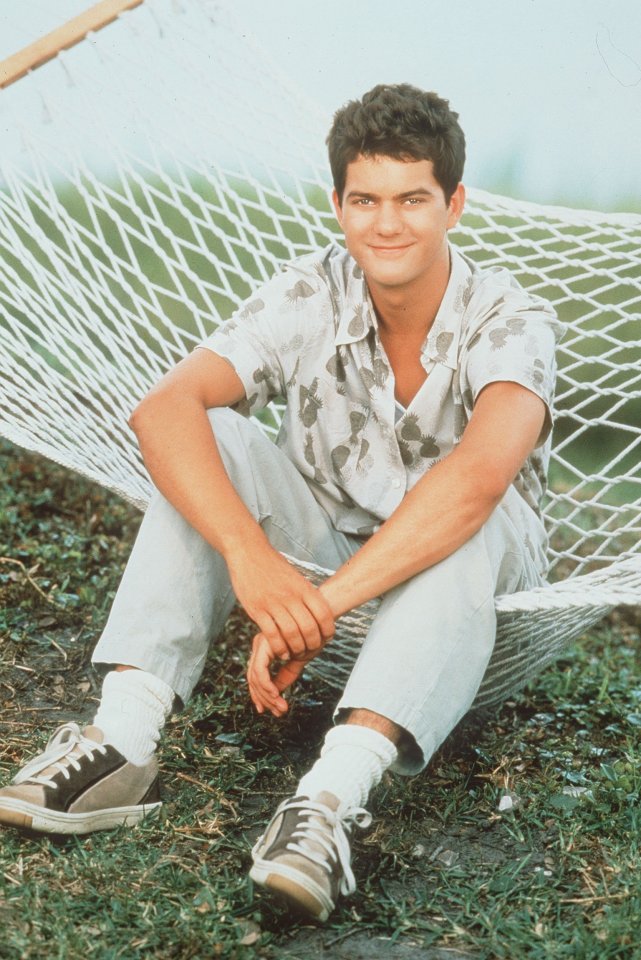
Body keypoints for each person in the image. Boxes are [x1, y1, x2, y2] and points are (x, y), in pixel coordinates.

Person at [0, 84, 562, 922]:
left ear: (454, 204)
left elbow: (477, 479)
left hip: (472, 604)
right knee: (214, 434)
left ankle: (327, 803)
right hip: (324, 561)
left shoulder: (510, 317)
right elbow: (162, 409)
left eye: (413, 199)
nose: (387, 224)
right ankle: (122, 737)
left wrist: (317, 609)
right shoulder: (312, 291)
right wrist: (251, 560)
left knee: (468, 511)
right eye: (365, 200)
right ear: (337, 204)